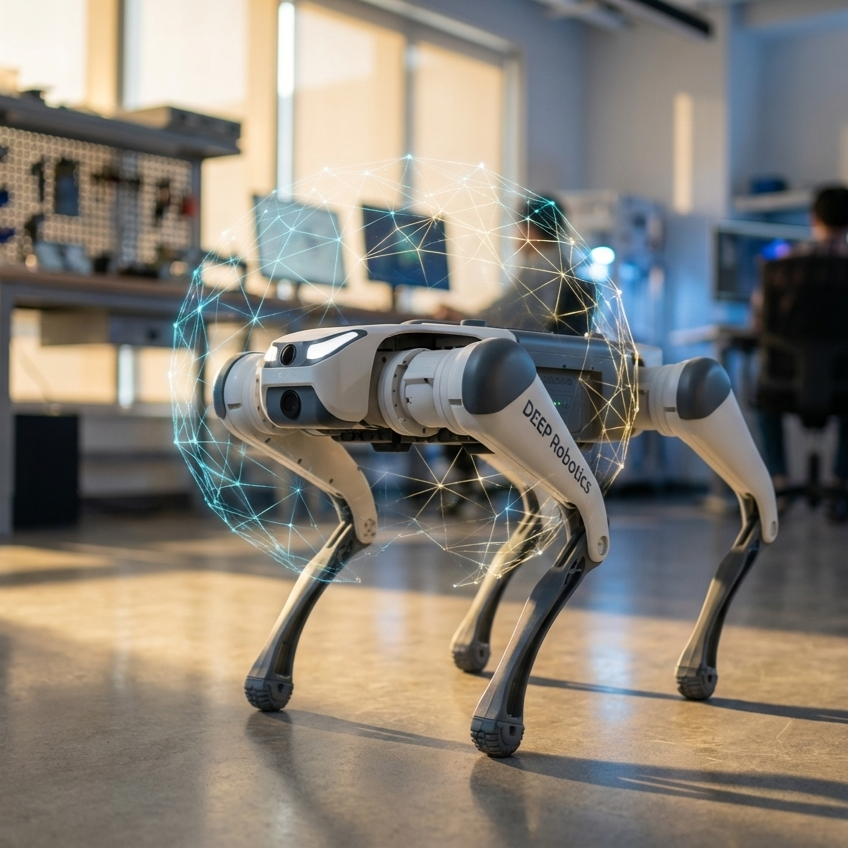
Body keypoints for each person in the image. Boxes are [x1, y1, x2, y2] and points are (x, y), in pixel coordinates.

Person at [754, 184, 848, 521]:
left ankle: (778, 484)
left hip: (784, 385)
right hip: (841, 387)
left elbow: (759, 322)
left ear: (813, 219)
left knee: (765, 400)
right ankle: (839, 487)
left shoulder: (781, 265)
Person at [435, 196, 595, 335]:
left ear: (529, 230)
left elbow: (503, 316)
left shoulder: (540, 267)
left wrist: (459, 316)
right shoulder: (560, 263)